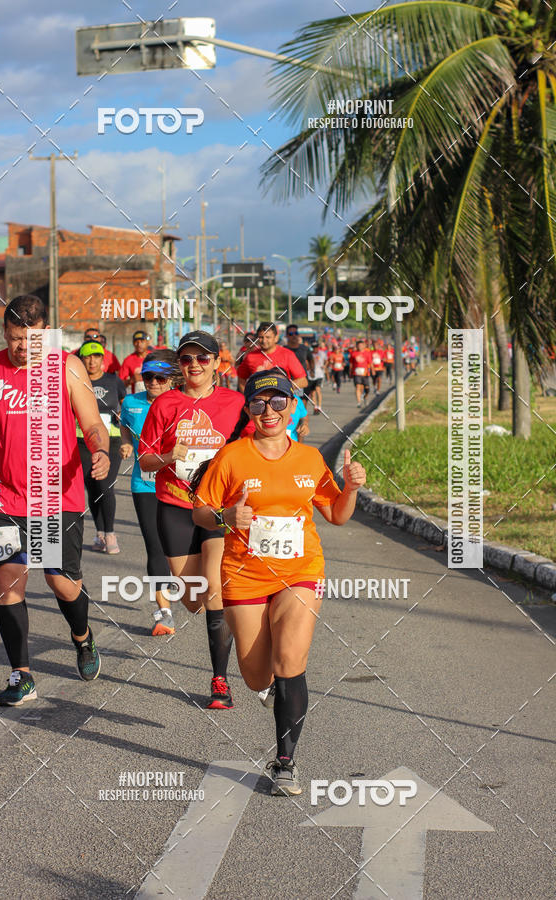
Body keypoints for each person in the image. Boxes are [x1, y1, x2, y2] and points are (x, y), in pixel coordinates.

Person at [192, 369, 366, 796]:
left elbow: (338, 514)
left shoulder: (309, 459)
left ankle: (285, 762)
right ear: (249, 408)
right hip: (243, 574)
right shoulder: (231, 456)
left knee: (290, 659)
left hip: (300, 572)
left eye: (277, 402)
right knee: (255, 676)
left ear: (292, 406)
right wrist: (226, 517)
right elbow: (199, 511)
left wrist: (353, 488)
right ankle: (274, 690)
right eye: (258, 402)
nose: (268, 411)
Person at [0, 295, 108, 706]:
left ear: (46, 332)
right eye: (12, 339)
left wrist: (98, 450)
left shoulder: (65, 366)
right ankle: (21, 675)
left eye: (28, 340)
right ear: (3, 332)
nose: (19, 348)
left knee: (60, 581)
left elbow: (92, 423)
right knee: (8, 581)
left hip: (54, 497)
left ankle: (82, 637)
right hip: (2, 495)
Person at [138, 331, 247, 709]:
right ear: (179, 366)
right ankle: (200, 603)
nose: (195, 365)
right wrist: (170, 455)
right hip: (174, 504)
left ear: (218, 363)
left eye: (203, 358)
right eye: (187, 359)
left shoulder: (236, 402)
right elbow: (145, 460)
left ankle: (220, 680)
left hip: (218, 506)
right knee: (192, 599)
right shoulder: (165, 404)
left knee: (215, 588)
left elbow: (257, 443)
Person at [120, 354, 177, 636]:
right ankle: (164, 612)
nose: (153, 383)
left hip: (180, 485)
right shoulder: (131, 403)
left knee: (179, 546)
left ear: (172, 381)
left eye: (160, 378)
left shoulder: (181, 402)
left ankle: (199, 593)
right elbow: (123, 427)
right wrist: (127, 444)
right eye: (148, 377)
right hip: (145, 484)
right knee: (154, 546)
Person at [76, 340, 126, 554]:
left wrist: (127, 439)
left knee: (106, 484)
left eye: (96, 356)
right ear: (81, 359)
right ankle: (99, 533)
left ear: (102, 359)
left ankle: (110, 532)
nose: (92, 360)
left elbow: (126, 408)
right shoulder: (75, 380)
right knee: (93, 486)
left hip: (111, 439)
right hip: (81, 440)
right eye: (87, 356)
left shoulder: (114, 381)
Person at [237, 323, 307, 392]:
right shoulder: (250, 356)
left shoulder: (287, 354)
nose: (264, 341)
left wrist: (282, 388)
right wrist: (248, 398)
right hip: (259, 402)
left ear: (276, 338)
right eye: (261, 337)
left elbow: (303, 381)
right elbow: (241, 380)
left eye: (268, 337)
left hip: (281, 400)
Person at [306, 343, 326, 414]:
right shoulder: (309, 354)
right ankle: (315, 407)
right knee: (312, 393)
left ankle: (319, 407)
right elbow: (307, 363)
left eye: (316, 347)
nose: (315, 349)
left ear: (318, 347)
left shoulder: (322, 353)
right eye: (314, 347)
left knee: (318, 389)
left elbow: (326, 361)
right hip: (311, 375)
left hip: (319, 374)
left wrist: (324, 365)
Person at [351, 339, 372, 406]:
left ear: (363, 346)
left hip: (365, 373)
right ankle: (359, 402)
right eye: (358, 345)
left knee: (366, 388)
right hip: (356, 373)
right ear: (357, 346)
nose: (360, 346)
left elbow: (370, 363)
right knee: (358, 386)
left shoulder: (367, 353)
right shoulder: (354, 353)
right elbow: (351, 363)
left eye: (361, 345)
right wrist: (350, 371)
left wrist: (373, 370)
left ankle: (365, 396)